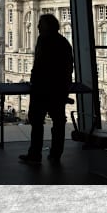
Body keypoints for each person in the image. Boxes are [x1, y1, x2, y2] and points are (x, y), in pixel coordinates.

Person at [19, 14, 73, 165]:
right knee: (58, 123)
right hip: (57, 90)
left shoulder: (43, 41)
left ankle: (35, 154)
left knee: (37, 123)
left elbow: (40, 66)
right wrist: (65, 89)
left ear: (47, 27)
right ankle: (56, 154)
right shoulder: (63, 42)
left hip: (42, 89)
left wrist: (34, 83)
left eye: (40, 24)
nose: (37, 27)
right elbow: (68, 68)